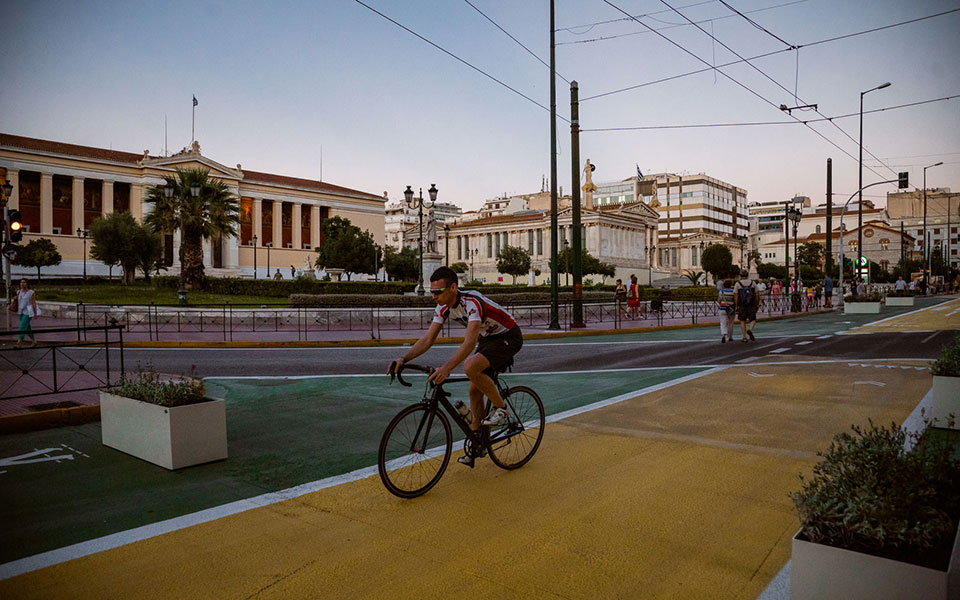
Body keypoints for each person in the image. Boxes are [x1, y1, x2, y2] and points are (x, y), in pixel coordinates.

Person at [388, 266, 523, 468]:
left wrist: (446, 368)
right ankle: (478, 443)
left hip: (508, 336)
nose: (434, 296)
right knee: (474, 389)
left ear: (453, 287)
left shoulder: (472, 301)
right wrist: (403, 358)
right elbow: (428, 339)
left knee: (470, 367)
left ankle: (501, 408)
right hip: (487, 339)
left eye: (438, 292)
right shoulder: (442, 307)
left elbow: (469, 343)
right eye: (432, 291)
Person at [11, 278, 40, 348]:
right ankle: (34, 342)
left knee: (22, 326)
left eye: (24, 282)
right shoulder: (18, 292)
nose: (22, 284)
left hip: (28, 312)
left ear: (27, 284)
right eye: (21, 282)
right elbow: (17, 301)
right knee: (27, 328)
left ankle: (19, 343)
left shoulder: (31, 292)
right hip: (20, 311)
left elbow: (33, 303)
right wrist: (15, 299)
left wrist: (35, 314)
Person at [733, 269, 758, 342]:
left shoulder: (737, 284)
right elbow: (757, 294)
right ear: (747, 275)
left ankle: (744, 337)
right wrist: (757, 303)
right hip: (751, 303)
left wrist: (736, 305)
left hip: (742, 304)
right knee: (753, 319)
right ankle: (750, 329)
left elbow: (736, 295)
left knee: (742, 320)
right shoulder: (753, 283)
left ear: (740, 276)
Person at [718, 279, 735, 343]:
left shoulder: (721, 291)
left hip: (722, 308)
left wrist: (722, 304)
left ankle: (723, 335)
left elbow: (719, 300)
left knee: (723, 323)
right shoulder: (733, 291)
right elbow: (735, 300)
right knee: (731, 323)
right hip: (731, 309)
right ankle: (730, 337)